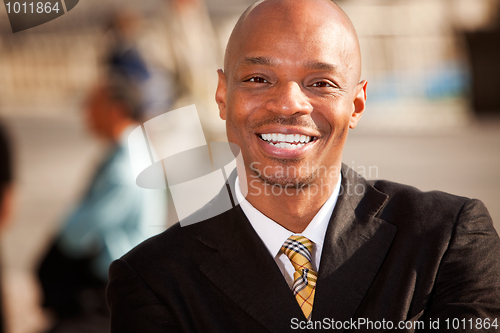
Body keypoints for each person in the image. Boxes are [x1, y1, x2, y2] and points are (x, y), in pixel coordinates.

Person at [106, 1, 500, 332]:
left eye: (320, 82)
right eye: (259, 78)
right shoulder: (152, 278)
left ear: (356, 104)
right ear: (223, 95)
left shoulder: (448, 239)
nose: (288, 103)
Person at [38, 77, 166, 332]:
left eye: (91, 106)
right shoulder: (130, 150)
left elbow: (77, 235)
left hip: (111, 288)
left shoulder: (125, 169)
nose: (85, 113)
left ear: (115, 111)